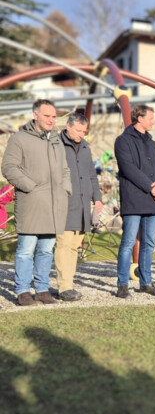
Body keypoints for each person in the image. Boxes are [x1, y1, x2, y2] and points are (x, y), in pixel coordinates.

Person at [1, 99, 71, 306]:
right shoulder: (19, 139)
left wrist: (65, 188)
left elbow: (65, 169)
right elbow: (9, 167)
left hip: (53, 205)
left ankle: (41, 289)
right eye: (47, 116)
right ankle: (22, 291)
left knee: (46, 250)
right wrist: (30, 186)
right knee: (25, 250)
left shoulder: (56, 140)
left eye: (54, 116)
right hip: (31, 203)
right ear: (35, 115)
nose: (51, 120)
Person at [114, 105, 155, 299]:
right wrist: (151, 186)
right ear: (140, 119)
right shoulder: (123, 141)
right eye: (150, 118)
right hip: (135, 198)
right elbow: (128, 169)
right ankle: (122, 284)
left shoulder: (151, 142)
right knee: (128, 242)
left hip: (153, 200)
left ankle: (146, 282)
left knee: (148, 243)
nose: (153, 121)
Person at [54, 111, 103, 301]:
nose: (82, 134)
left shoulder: (85, 147)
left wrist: (97, 198)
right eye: (79, 131)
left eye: (84, 131)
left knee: (74, 246)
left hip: (83, 205)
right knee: (64, 245)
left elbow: (91, 175)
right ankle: (64, 287)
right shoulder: (56, 145)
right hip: (65, 204)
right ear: (68, 126)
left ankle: (68, 284)